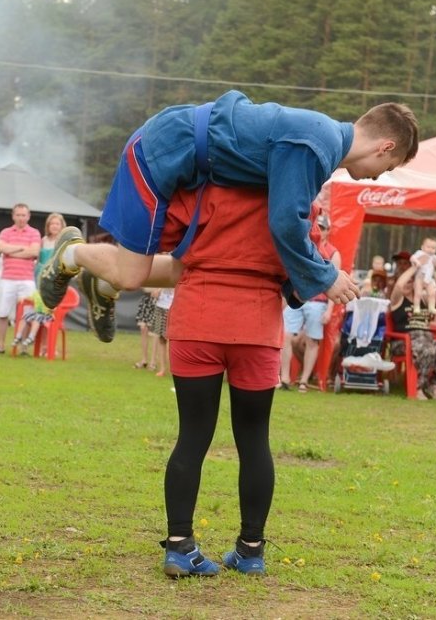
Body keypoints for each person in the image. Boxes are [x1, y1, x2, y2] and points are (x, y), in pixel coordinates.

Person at [38, 92, 419, 343]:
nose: (379, 175)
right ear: (386, 146)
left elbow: (292, 216)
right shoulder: (317, 144)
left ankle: (103, 286)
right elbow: (285, 222)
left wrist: (310, 271)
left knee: (181, 269)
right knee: (133, 273)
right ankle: (72, 253)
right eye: (388, 166)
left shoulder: (322, 142)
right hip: (161, 151)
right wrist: (323, 276)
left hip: (194, 169)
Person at [157, 183, 288, 578]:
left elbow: (162, 234)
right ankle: (250, 551)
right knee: (254, 440)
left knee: (192, 436)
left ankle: (180, 546)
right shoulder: (288, 188)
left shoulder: (200, 188)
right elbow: (304, 250)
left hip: (197, 317)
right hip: (257, 323)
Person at [279, 212, 340, 392]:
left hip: (318, 301)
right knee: (286, 337)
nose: (319, 230)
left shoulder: (333, 252)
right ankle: (285, 378)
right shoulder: (302, 246)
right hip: (296, 297)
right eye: (317, 226)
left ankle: (304, 380)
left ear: (328, 231)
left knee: (313, 341)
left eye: (323, 228)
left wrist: (330, 310)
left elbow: (335, 283)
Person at [389, 266, 436, 401]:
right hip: (405, 340)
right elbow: (399, 284)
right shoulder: (397, 300)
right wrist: (415, 267)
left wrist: (432, 268)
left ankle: (434, 384)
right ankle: (418, 387)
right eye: (406, 281)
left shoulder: (424, 300)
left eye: (411, 282)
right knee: (427, 350)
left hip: (427, 338)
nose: (407, 284)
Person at [0, 204, 41, 354]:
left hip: (27, 279)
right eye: (18, 215)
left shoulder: (34, 233)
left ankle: (24, 346)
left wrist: (11, 250)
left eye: (23, 215)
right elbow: (0, 248)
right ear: (13, 216)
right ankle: (0, 344)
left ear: (28, 216)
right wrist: (22, 249)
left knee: (27, 313)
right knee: (3, 312)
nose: (21, 218)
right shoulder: (6, 232)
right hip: (8, 278)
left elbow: (34, 251)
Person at [11, 290, 53, 356]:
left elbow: (55, 307)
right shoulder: (36, 294)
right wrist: (22, 298)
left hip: (48, 317)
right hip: (38, 315)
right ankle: (18, 337)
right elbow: (29, 298)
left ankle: (31, 337)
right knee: (25, 317)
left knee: (37, 318)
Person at [411, 236, 436, 314]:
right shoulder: (420, 253)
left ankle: (431, 307)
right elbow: (412, 258)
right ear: (422, 247)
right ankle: (416, 307)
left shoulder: (434, 257)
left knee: (432, 293)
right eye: (428, 247)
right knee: (418, 293)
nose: (430, 249)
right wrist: (417, 262)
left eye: (433, 248)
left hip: (429, 278)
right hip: (420, 277)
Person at [150, 288, 175, 378]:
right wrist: (156, 291)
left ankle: (174, 369)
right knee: (161, 339)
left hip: (172, 308)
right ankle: (162, 369)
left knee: (172, 340)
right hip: (160, 307)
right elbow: (153, 292)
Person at [35, 213, 65, 283]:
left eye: (57, 224)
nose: (54, 226)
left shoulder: (63, 241)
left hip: (56, 275)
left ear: (61, 226)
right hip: (41, 273)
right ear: (48, 226)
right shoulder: (43, 240)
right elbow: (38, 259)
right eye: (52, 224)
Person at [133, 289, 159, 369]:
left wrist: (158, 290)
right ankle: (144, 360)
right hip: (146, 300)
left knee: (155, 331)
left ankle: (153, 362)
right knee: (143, 329)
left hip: (157, 301)